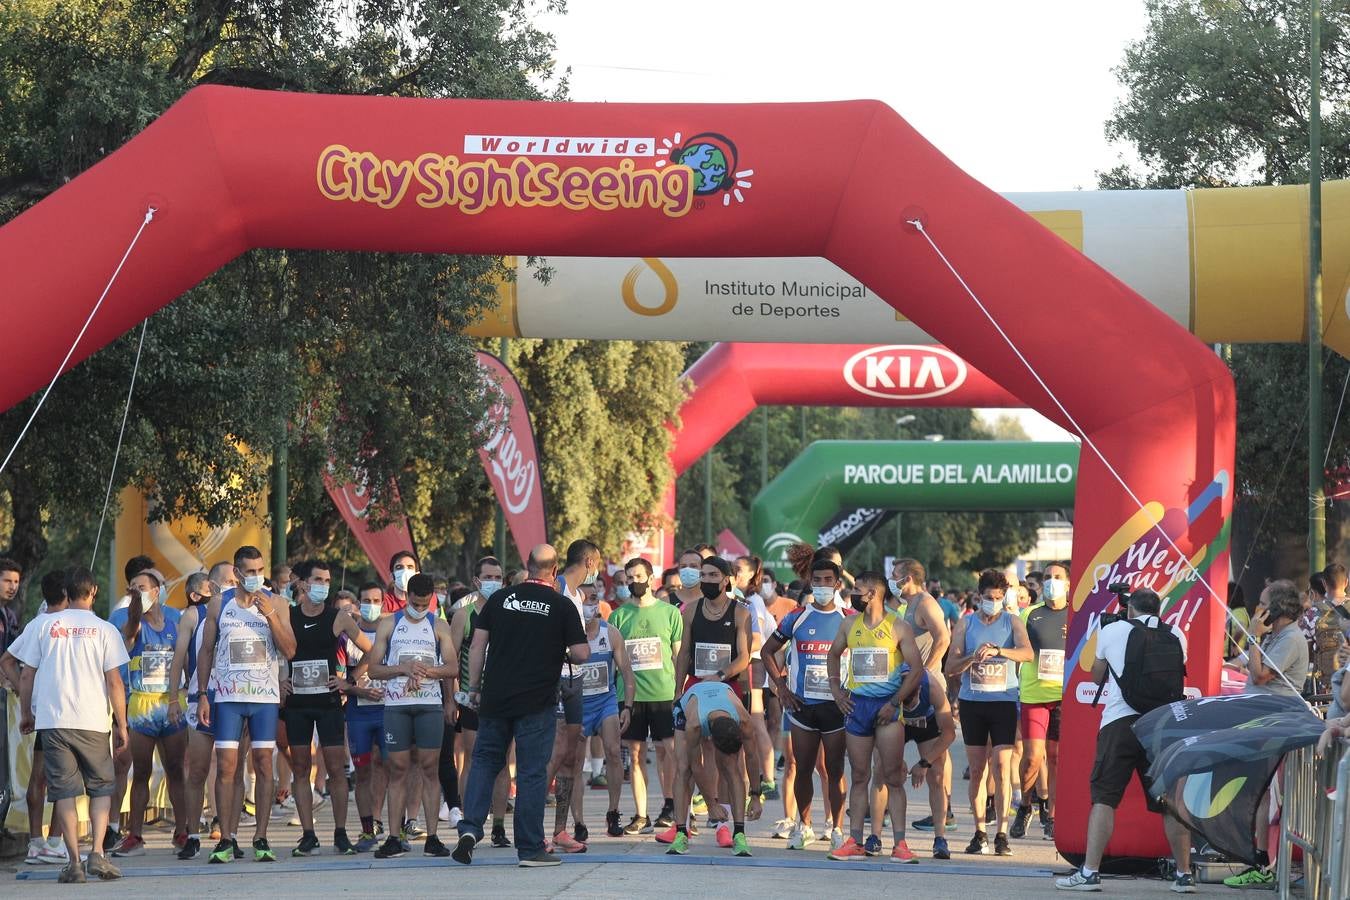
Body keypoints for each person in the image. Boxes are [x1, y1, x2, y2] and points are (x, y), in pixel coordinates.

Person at [454, 544, 588, 868]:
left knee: (485, 762)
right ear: (554, 571)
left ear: (527, 567)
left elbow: (477, 646)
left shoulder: (500, 599)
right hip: (536, 702)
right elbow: (582, 653)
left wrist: (474, 687)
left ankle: (469, 830)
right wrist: (561, 650)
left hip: (496, 698)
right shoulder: (561, 605)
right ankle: (529, 848)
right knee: (530, 773)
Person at [1055, 588, 1194, 893]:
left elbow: (1096, 676)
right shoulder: (1177, 634)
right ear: (1158, 609)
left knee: (1104, 798)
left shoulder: (1113, 630)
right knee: (1170, 801)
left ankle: (1090, 873)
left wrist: (1110, 632)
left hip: (1119, 723)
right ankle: (1184, 875)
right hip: (1160, 726)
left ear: (1130, 609)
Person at [14, 566, 128, 883]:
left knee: (63, 792)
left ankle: (74, 862)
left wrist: (26, 713)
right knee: (101, 788)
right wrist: (122, 724)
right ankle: (98, 855)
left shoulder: (44, 626)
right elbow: (115, 682)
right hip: (93, 720)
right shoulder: (105, 629)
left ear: (67, 593)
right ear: (93, 592)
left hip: (53, 720)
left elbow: (26, 674)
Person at [195, 545, 298, 864]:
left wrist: (269, 614)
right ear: (237, 574)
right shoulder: (219, 603)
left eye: (260, 571)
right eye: (250, 572)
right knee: (227, 767)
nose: (256, 577)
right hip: (228, 697)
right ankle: (226, 838)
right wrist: (202, 693)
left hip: (264, 699)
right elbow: (207, 650)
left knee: (264, 764)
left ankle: (261, 837)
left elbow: (290, 649)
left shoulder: (277, 602)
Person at [824, 571, 925, 862]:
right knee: (859, 775)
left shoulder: (898, 627)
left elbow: (916, 670)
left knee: (893, 777)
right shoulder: (848, 624)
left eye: (858, 589)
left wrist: (895, 702)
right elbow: (833, 655)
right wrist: (836, 689)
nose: (853, 593)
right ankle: (855, 840)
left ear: (874, 594)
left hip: (887, 706)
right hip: (857, 706)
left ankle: (900, 844)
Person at [281, 559, 371, 856]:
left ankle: (341, 833)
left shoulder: (339, 617)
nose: (323, 586)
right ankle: (308, 834)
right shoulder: (288, 616)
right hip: (297, 704)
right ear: (303, 584)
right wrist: (281, 678)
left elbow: (373, 651)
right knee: (301, 768)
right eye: (318, 580)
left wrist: (350, 679)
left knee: (335, 769)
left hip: (329, 703)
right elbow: (273, 651)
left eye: (327, 580)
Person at [762, 557, 851, 852]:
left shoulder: (848, 618)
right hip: (802, 707)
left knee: (835, 770)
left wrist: (853, 693)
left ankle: (837, 829)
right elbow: (767, 651)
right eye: (818, 580)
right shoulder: (796, 617)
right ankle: (804, 826)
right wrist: (782, 687)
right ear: (811, 582)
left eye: (829, 580)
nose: (823, 585)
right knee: (800, 768)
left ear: (838, 584)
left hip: (837, 708)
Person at [366, 573, 457, 858]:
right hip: (397, 705)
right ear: (407, 597)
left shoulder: (439, 625)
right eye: (415, 603)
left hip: (429, 704)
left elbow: (452, 668)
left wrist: (425, 671)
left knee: (430, 769)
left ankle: (432, 837)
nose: (419, 609)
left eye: (424, 603)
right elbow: (373, 669)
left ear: (431, 598)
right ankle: (394, 837)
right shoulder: (390, 623)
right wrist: (403, 669)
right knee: (398, 769)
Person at [946, 568, 1033, 856]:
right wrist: (973, 656)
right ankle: (980, 831)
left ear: (1003, 597)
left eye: (997, 597)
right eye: (987, 597)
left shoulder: (1012, 621)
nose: (992, 602)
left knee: (1002, 768)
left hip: (1003, 702)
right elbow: (950, 668)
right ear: (978, 596)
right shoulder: (966, 624)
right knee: (977, 770)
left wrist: (999, 651)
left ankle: (1002, 834)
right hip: (973, 703)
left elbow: (1027, 654)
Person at [107, 567, 188, 856]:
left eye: (142, 587)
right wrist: (134, 609)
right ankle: (135, 836)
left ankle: (182, 832)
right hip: (142, 705)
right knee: (140, 771)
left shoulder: (178, 619)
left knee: (176, 769)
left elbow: (189, 653)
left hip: (172, 703)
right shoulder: (131, 621)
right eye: (132, 587)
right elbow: (128, 639)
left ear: (158, 590)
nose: (136, 591)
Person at [609, 557, 683, 837]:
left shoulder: (669, 613)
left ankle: (674, 807)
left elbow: (679, 656)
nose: (633, 582)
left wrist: (680, 693)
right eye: (629, 578)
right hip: (630, 697)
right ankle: (641, 815)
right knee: (636, 754)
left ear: (650, 578)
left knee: (671, 752)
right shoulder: (618, 616)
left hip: (664, 694)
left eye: (638, 576)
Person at [1, 571, 70, 865]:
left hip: (44, 713)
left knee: (39, 776)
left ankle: (35, 843)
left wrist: (26, 702)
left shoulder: (34, 624)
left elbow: (7, 661)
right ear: (68, 593)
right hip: (70, 712)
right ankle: (54, 842)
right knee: (66, 778)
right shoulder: (79, 624)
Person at [448, 558, 512, 847]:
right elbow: (450, 660)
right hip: (472, 700)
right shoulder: (463, 615)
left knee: (502, 763)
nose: (494, 582)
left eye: (498, 577)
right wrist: (451, 699)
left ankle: (499, 825)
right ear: (476, 581)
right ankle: (466, 818)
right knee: (473, 759)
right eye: (488, 576)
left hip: (502, 699)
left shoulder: (510, 612)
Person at [545, 539, 603, 853]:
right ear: (590, 561)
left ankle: (560, 830)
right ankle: (533, 829)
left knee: (572, 757)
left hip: (576, 681)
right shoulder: (556, 588)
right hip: (555, 680)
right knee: (554, 754)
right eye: (600, 563)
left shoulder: (579, 596)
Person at [892, 557, 954, 838]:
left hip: (926, 686)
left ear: (907, 578)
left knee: (936, 761)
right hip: (907, 684)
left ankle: (945, 815)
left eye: (895, 575)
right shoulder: (907, 605)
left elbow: (943, 638)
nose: (891, 580)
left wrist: (924, 672)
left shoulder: (926, 602)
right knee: (887, 761)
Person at [662, 680, 755, 857]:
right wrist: (711, 804)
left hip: (721, 700)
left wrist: (756, 795)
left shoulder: (743, 719)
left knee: (731, 767)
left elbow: (752, 756)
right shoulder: (694, 725)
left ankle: (740, 834)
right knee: (683, 768)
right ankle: (681, 832)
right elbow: (697, 766)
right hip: (690, 704)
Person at [1012, 561, 1068, 841]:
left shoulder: (1077, 615)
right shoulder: (1030, 614)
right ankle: (1025, 805)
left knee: (1057, 758)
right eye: (1047, 577)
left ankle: (1054, 816)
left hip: (1063, 697)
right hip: (1034, 694)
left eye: (1058, 577)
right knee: (1033, 757)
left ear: (1068, 583)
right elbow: (1018, 649)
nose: (1051, 581)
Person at [573, 593, 636, 840]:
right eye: (585, 600)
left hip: (605, 701)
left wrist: (627, 707)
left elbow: (627, 672)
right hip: (577, 704)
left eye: (594, 599)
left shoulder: (610, 633)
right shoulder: (568, 634)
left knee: (613, 750)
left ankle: (613, 812)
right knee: (575, 763)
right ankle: (578, 821)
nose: (591, 605)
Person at [165, 570, 219, 860]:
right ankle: (191, 833)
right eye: (216, 584)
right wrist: (175, 697)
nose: (224, 588)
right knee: (196, 768)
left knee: (229, 770)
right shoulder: (192, 615)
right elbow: (178, 659)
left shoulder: (243, 611)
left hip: (235, 697)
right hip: (202, 697)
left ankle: (228, 831)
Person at [341, 582, 389, 852]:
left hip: (386, 710)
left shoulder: (390, 631)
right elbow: (339, 678)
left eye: (376, 600)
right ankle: (367, 828)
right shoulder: (347, 633)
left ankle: (386, 823)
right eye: (366, 600)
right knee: (362, 771)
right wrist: (357, 688)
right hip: (358, 711)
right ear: (358, 604)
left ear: (383, 602)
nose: (371, 604)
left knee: (389, 765)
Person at [1243, 580, 1310, 697]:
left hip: (1274, 706)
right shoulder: (1275, 634)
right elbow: (1253, 666)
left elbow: (1259, 678)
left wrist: (1254, 636)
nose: (1258, 608)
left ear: (1277, 609)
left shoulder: (1291, 638)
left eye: (1262, 604)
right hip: (1257, 701)